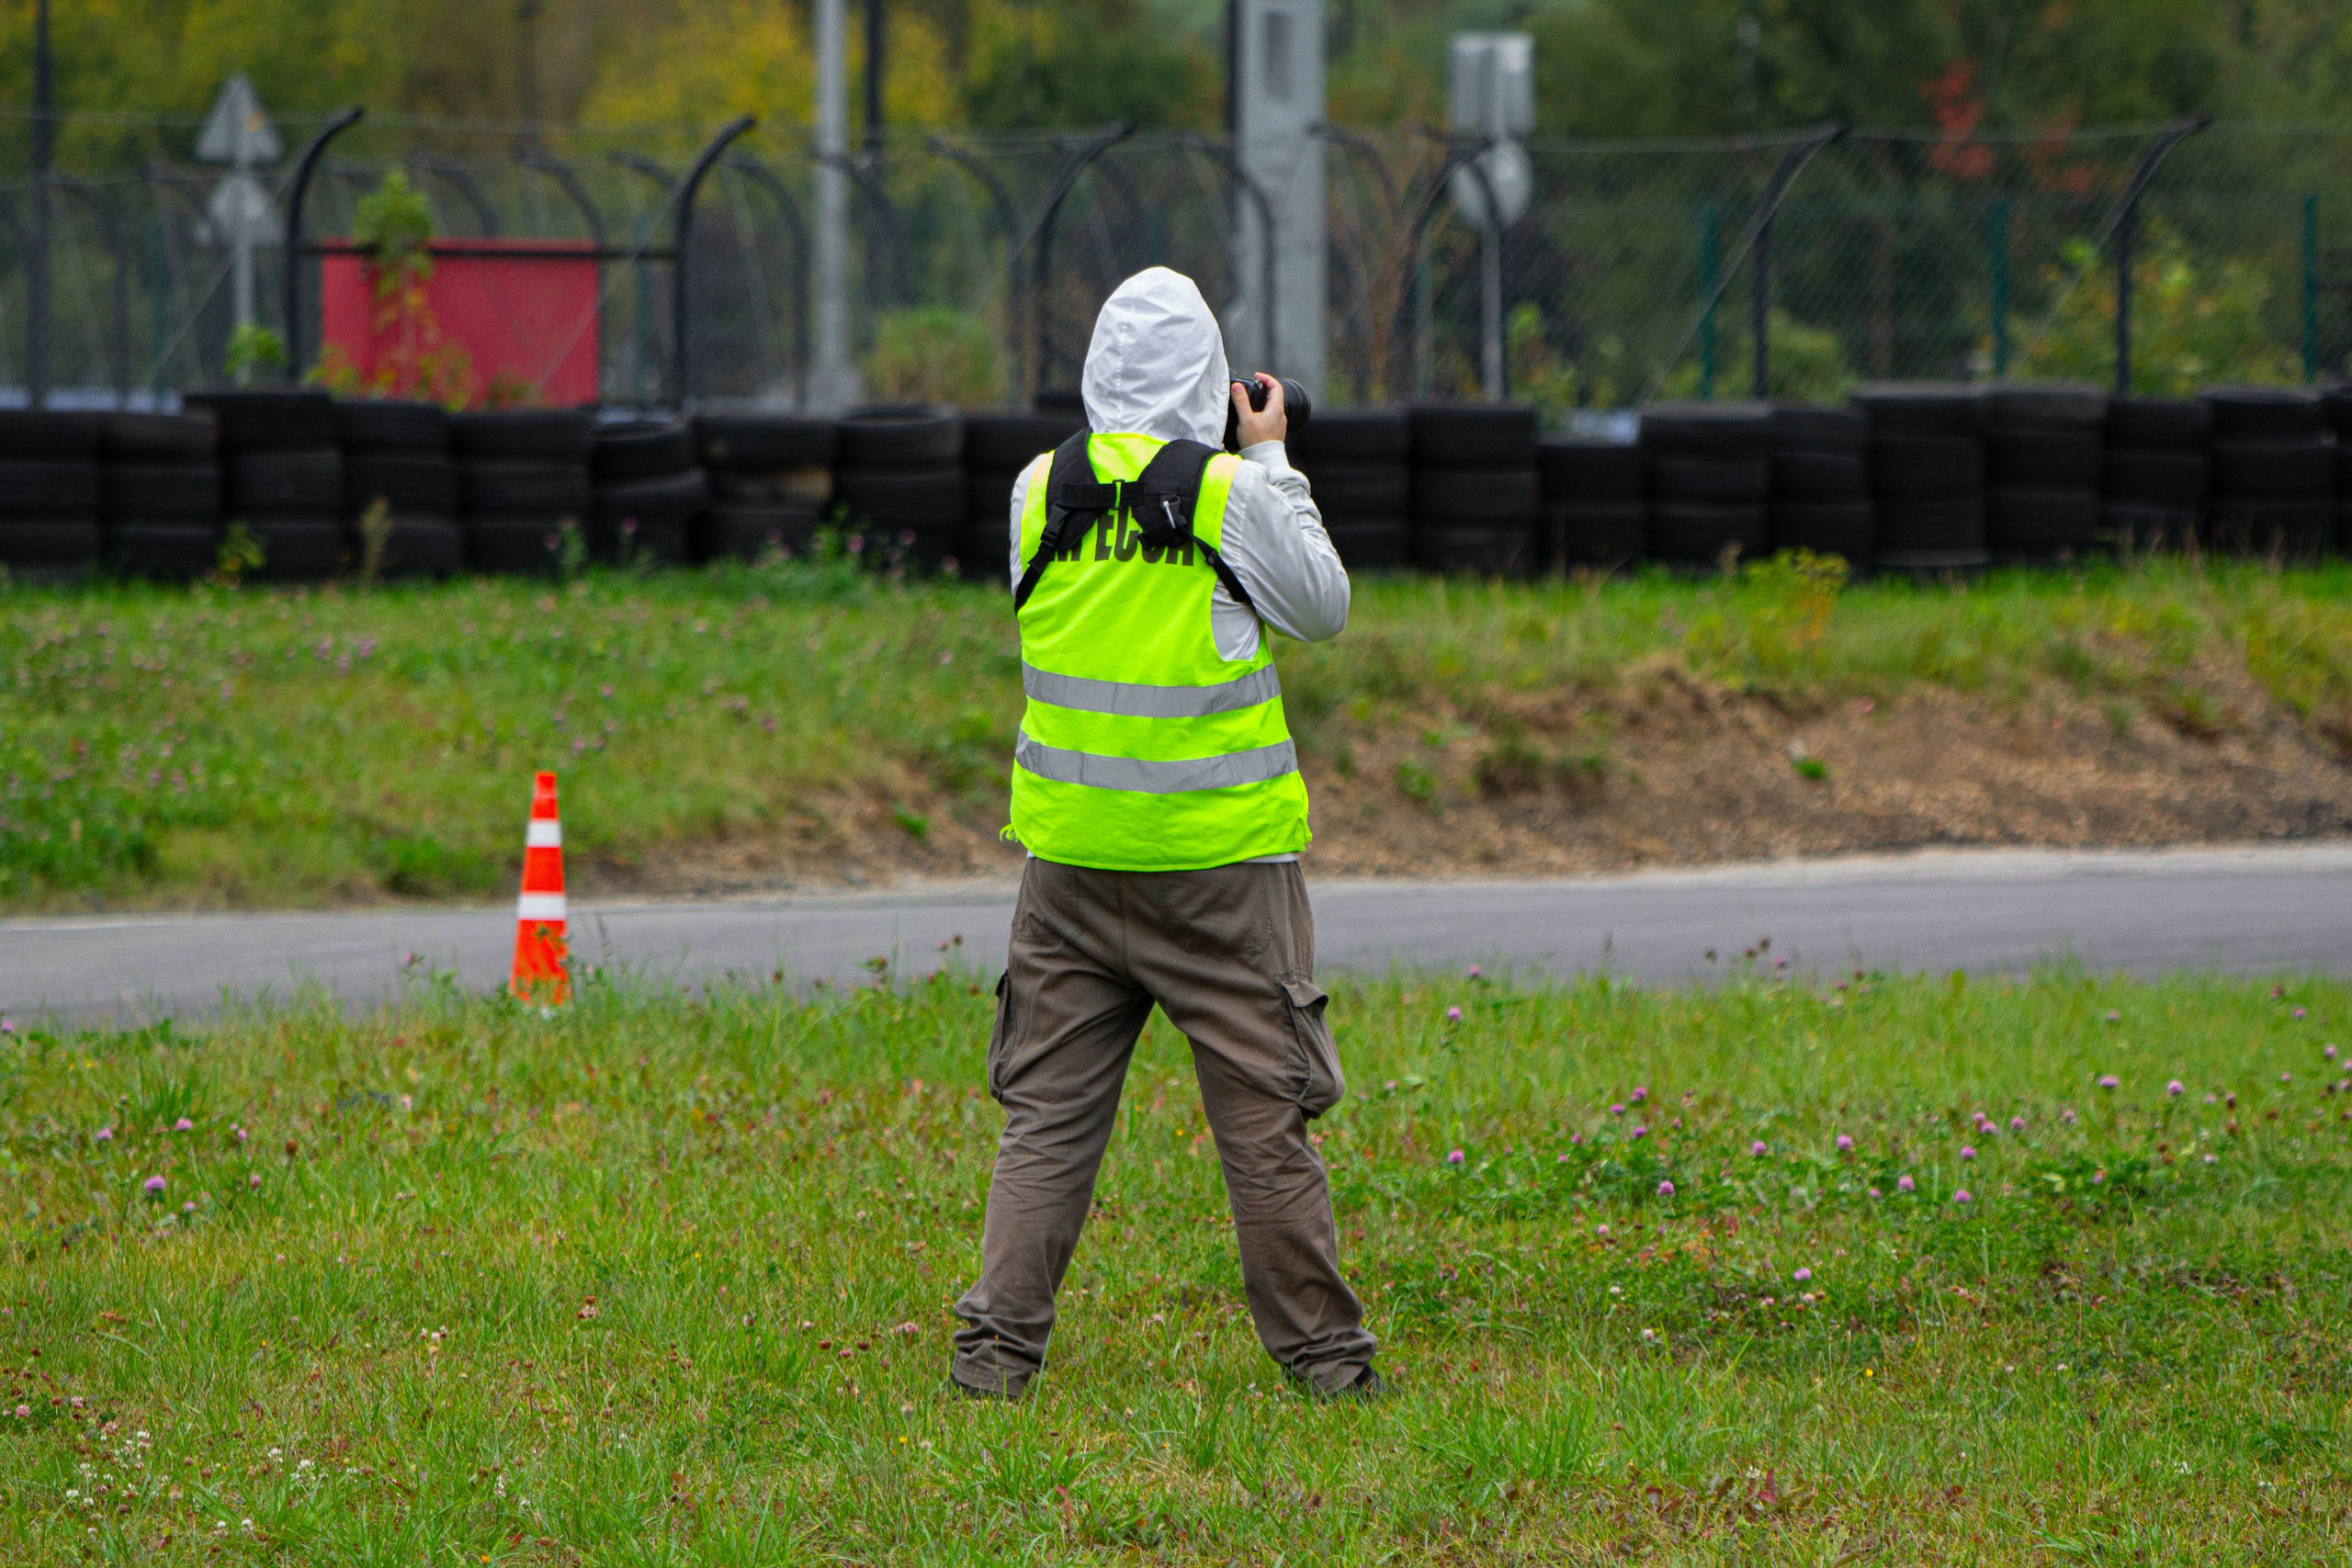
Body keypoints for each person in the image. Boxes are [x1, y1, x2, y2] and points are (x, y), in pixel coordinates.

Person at [950, 266, 1381, 1402]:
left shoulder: (1035, 492)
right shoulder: (1228, 497)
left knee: (1046, 1120)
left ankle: (993, 1359)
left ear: (1098, 373)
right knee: (1263, 1125)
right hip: (1221, 871)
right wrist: (1271, 456)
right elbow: (1322, 607)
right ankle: (1329, 1370)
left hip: (1070, 868)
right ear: (1209, 376)